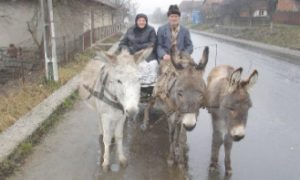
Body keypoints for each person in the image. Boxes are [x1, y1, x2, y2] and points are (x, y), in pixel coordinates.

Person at [153, 4, 194, 97]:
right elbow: (158, 45)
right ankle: (161, 94)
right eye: (172, 16)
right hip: (166, 59)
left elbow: (190, 45)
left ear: (179, 17)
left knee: (191, 75)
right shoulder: (161, 29)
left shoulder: (185, 30)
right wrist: (163, 55)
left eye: (176, 16)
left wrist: (184, 54)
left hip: (182, 59)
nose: (174, 18)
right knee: (164, 79)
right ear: (168, 17)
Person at [118, 13, 158, 97]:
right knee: (126, 68)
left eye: (144, 20)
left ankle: (148, 89)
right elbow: (122, 43)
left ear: (146, 21)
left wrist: (139, 47)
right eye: (140, 20)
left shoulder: (151, 30)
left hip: (147, 55)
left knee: (151, 65)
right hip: (132, 55)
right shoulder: (130, 30)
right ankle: (128, 88)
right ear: (136, 21)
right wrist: (128, 50)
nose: (142, 22)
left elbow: (153, 43)